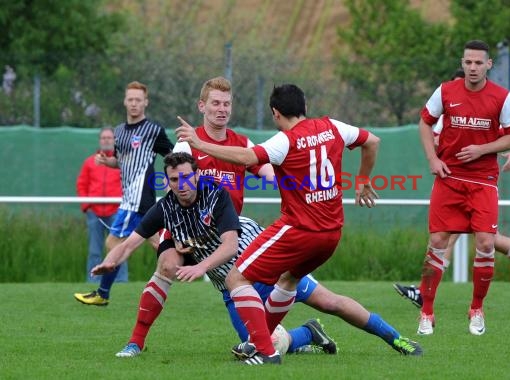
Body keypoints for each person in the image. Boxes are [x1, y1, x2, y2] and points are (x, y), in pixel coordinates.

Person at [91, 153, 422, 361]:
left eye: (187, 177)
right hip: (234, 289)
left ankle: (397, 339)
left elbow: (230, 247)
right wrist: (113, 261)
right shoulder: (165, 208)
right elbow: (130, 241)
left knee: (330, 302)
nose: (181, 184)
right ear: (169, 181)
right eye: (174, 179)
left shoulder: (215, 196)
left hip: (269, 267)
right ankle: (309, 334)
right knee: (265, 345)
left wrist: (201, 267)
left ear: (196, 175)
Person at [176, 84, 417, 365]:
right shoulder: (333, 127)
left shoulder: (282, 141)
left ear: (276, 113)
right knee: (307, 292)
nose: (222, 109)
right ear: (305, 107)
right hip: (330, 234)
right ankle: (396, 339)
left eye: (225, 103)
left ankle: (266, 353)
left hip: (294, 235)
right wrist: (362, 179)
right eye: (216, 103)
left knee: (237, 281)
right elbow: (372, 140)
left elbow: (252, 160)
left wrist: (202, 145)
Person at [394, 69, 510, 307]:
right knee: (474, 240)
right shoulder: (445, 112)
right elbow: (434, 136)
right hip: (453, 183)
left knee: (460, 240)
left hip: (476, 185)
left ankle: (424, 294)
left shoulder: (483, 109)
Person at [414, 40, 510, 336]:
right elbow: (425, 123)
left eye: (478, 63)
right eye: (468, 62)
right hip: (449, 179)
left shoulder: (502, 98)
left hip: (483, 182)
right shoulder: (446, 90)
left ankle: (476, 308)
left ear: (489, 65)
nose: (472, 67)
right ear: (462, 64)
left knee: (486, 244)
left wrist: (481, 149)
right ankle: (426, 311)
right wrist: (432, 159)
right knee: (436, 243)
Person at [74, 81, 174, 306]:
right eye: (130, 99)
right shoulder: (119, 131)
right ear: (125, 101)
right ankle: (186, 265)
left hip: (138, 200)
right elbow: (122, 162)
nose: (134, 104)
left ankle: (102, 293)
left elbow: (173, 156)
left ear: (146, 102)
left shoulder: (153, 130)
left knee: (113, 243)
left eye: (139, 100)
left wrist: (172, 182)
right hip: (129, 198)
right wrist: (107, 161)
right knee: (158, 243)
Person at [76, 127, 125, 282]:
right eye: (103, 138)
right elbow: (82, 184)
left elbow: (129, 184)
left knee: (119, 248)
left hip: (116, 212)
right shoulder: (89, 162)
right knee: (94, 251)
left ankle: (120, 280)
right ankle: (93, 280)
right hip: (94, 213)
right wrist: (86, 205)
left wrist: (124, 206)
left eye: (109, 138)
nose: (106, 140)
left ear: (114, 141)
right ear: (99, 140)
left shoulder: (122, 162)